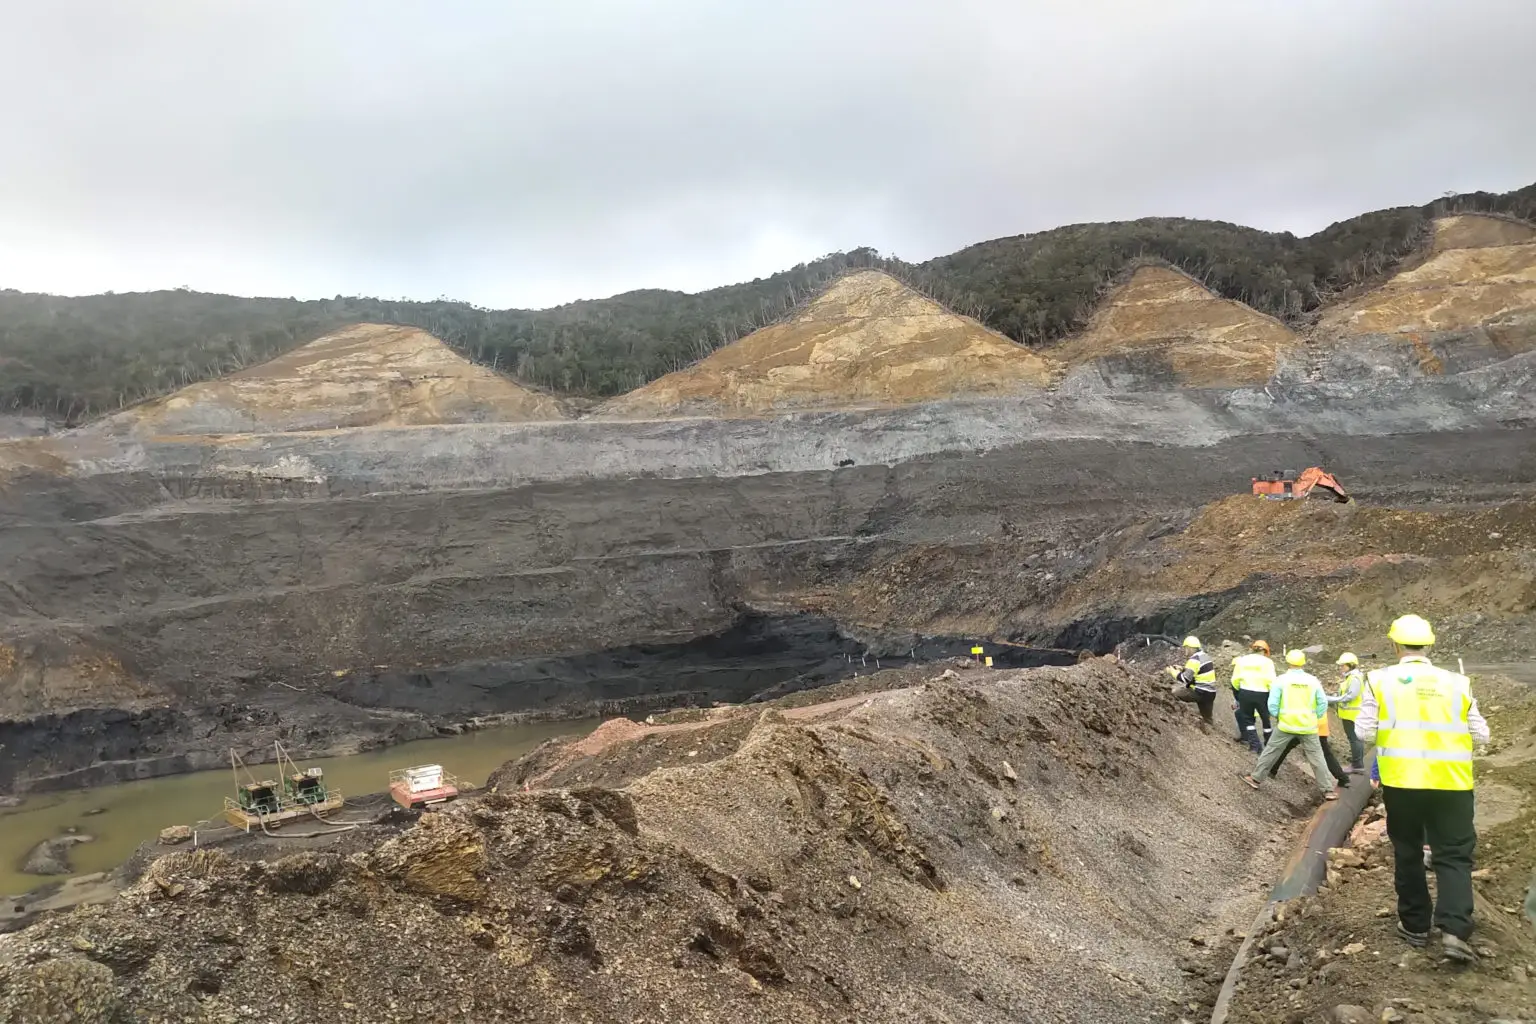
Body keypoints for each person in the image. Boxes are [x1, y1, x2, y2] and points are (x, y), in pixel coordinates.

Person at [1356, 614, 1489, 964]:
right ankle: (1455, 930)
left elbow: (1364, 732)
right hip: (1452, 782)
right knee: (1454, 854)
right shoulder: (1457, 682)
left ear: (1394, 645)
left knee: (1408, 851)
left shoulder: (1379, 680)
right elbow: (1481, 734)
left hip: (1403, 782)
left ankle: (1415, 926)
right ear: (1429, 645)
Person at [1240, 649, 1338, 800]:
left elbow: (1272, 705)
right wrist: (1315, 717)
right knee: (1317, 757)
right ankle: (1328, 790)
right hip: (1308, 726)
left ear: (1288, 662)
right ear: (1303, 662)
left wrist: (1279, 716)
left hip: (1286, 725)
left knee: (1271, 750)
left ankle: (1255, 778)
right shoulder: (1313, 681)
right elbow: (1322, 703)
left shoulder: (1281, 680)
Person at [1230, 640, 1277, 754]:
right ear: (1265, 651)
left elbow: (1235, 680)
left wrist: (1238, 694)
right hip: (1263, 694)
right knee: (1265, 720)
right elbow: (1272, 681)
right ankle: (1268, 746)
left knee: (1248, 720)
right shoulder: (1268, 662)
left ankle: (1255, 746)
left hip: (1245, 692)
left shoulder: (1242, 660)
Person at [1167, 636, 1217, 729]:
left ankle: (1177, 717)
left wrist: (1172, 671)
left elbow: (1185, 679)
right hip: (1210, 693)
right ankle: (1211, 733)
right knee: (1207, 718)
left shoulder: (1194, 660)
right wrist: (1183, 669)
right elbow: (1199, 671)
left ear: (1190, 648)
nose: (1185, 650)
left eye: (1185, 648)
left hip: (1199, 692)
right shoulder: (1204, 656)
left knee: (1173, 692)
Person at [1332, 652, 1367, 772]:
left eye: (1343, 665)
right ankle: (1357, 763)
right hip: (1350, 715)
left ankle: (1357, 765)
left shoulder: (1354, 678)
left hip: (1353, 715)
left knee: (1354, 739)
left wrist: (1334, 699)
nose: (1340, 668)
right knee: (1355, 739)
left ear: (1350, 665)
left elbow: (1351, 696)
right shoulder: (1352, 677)